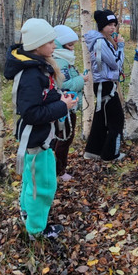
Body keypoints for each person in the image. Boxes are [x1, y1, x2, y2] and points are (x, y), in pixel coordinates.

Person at [4, 18, 77, 240]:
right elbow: (31, 113)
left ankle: (28, 213)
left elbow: (42, 97)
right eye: (50, 42)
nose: (54, 46)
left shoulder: (37, 68)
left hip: (39, 137)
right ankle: (37, 230)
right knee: (42, 185)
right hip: (36, 139)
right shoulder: (31, 74)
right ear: (37, 45)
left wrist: (58, 97)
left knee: (32, 179)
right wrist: (62, 106)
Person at [83, 9, 125, 162]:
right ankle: (110, 154)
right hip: (105, 84)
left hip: (104, 84)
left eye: (114, 24)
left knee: (101, 118)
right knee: (117, 119)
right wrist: (120, 47)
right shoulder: (100, 42)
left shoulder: (103, 40)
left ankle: (93, 150)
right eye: (109, 24)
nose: (113, 28)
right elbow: (115, 65)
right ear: (101, 26)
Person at [52, 24, 89, 181]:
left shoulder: (62, 59)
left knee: (58, 138)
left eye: (73, 45)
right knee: (65, 138)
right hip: (65, 109)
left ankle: (53, 168)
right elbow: (64, 85)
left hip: (64, 107)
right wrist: (81, 79)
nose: (72, 48)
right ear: (60, 44)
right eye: (69, 45)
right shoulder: (60, 61)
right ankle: (59, 171)